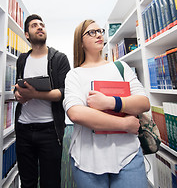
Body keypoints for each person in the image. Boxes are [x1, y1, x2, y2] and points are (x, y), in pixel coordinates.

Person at [63, 19, 150, 188]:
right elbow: (76, 113)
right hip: (87, 158)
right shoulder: (74, 75)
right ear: (80, 42)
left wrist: (109, 102)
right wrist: (124, 123)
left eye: (100, 31)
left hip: (128, 155)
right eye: (91, 32)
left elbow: (143, 102)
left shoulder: (121, 67)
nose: (99, 35)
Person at [14, 14, 71, 188]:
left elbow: (64, 92)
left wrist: (34, 94)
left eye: (42, 25)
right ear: (27, 34)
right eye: (34, 25)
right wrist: (18, 94)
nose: (39, 27)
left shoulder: (59, 58)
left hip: (50, 131)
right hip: (23, 129)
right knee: (27, 182)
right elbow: (19, 85)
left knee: (51, 182)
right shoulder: (22, 59)